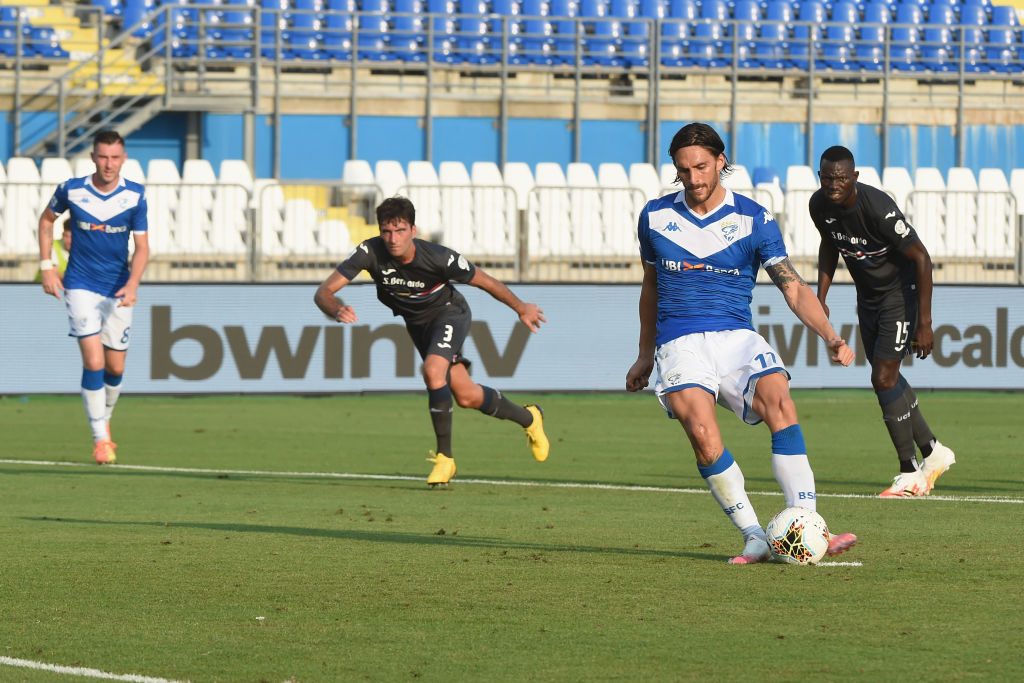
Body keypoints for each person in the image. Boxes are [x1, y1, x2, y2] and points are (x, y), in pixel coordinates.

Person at [625, 122, 858, 565]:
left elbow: (791, 286)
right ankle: (754, 535)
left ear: (720, 161)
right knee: (701, 431)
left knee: (779, 398)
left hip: (736, 335)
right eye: (683, 170)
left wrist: (830, 335)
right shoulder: (653, 216)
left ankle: (807, 524)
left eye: (701, 167)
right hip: (679, 340)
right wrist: (643, 353)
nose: (693, 178)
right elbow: (650, 287)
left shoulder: (754, 217)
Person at [313, 196, 550, 486]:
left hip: (449, 314)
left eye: (400, 231)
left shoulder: (439, 257)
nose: (393, 239)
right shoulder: (369, 252)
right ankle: (530, 418)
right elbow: (323, 292)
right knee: (467, 396)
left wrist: (521, 307)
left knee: (433, 371)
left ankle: (445, 459)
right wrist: (335, 307)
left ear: (413, 230)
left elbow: (486, 281)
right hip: (418, 326)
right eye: (386, 231)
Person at [810, 145, 956, 498]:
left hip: (899, 295)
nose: (834, 185)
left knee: (882, 376)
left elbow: (921, 258)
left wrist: (924, 322)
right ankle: (934, 450)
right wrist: (821, 297)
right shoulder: (819, 206)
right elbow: (830, 247)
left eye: (841, 178)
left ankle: (909, 471)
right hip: (869, 298)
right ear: (820, 177)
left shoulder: (877, 207)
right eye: (828, 178)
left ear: (854, 178)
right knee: (885, 376)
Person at [38, 130, 150, 465]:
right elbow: (46, 222)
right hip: (80, 284)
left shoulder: (135, 196)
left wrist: (133, 284)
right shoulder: (71, 190)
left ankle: (104, 419)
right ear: (93, 157)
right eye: (103, 157)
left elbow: (143, 247)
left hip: (117, 288)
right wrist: (46, 265)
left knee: (115, 368)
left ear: (124, 159)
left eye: (115, 157)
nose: (109, 164)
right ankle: (101, 439)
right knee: (94, 362)